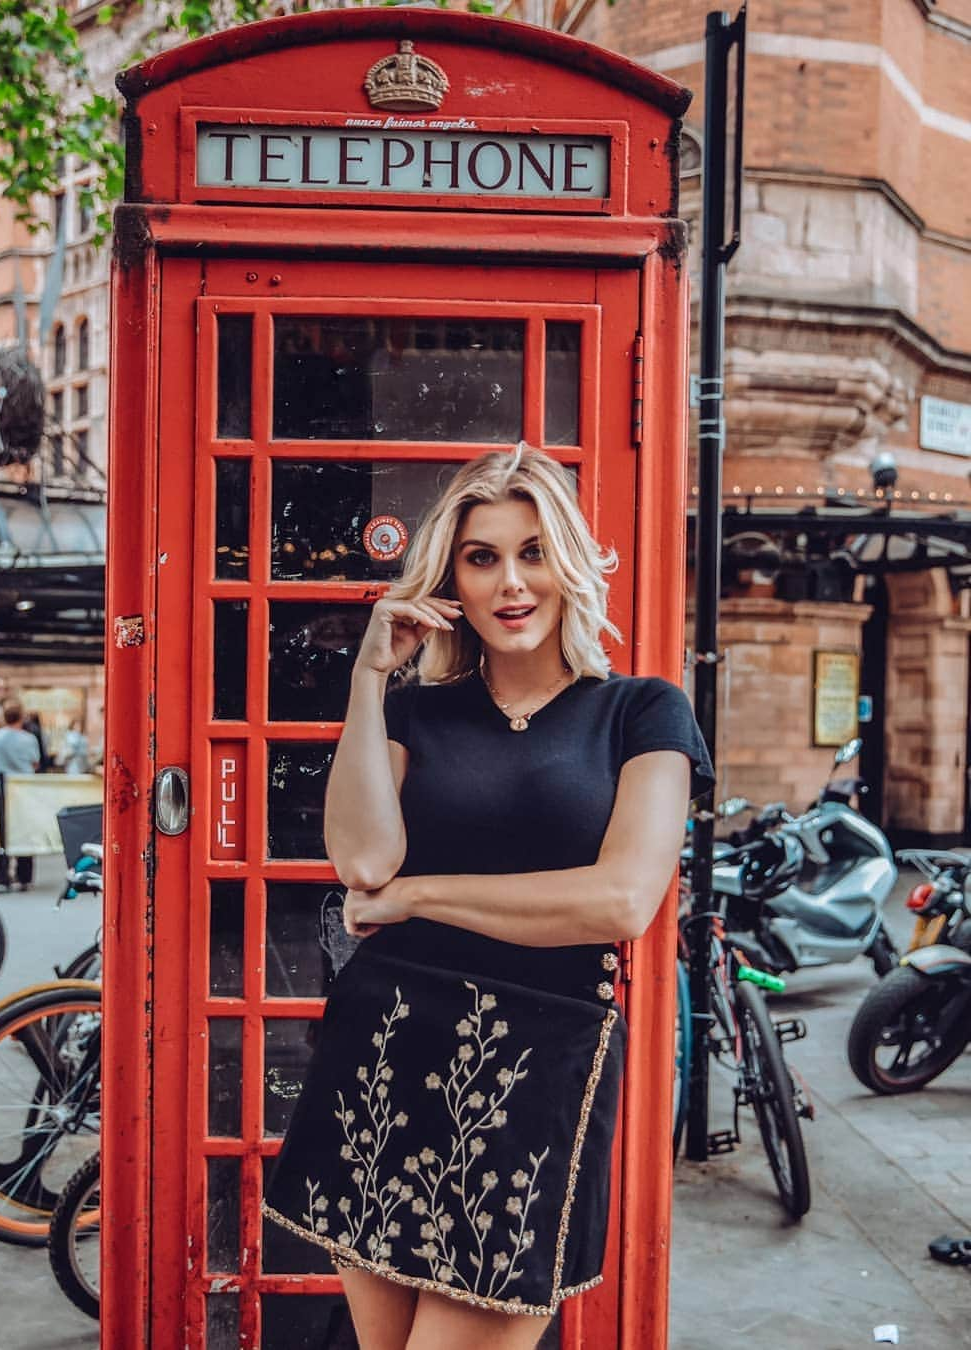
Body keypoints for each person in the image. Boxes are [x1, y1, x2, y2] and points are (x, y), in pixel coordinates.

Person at [263, 446, 714, 1349]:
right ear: (451, 580)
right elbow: (361, 859)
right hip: (388, 1053)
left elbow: (621, 900)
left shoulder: (641, 711)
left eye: (535, 552)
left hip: (534, 1068)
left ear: (570, 566)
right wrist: (367, 676)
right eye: (482, 557)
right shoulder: (417, 714)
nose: (512, 582)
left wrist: (419, 897)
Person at [0, 701, 41, 889]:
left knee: (2, 830)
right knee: (24, 831)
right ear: (21, 717)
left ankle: (2, 870)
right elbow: (35, 762)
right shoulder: (29, 739)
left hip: (1, 789)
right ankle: (24, 874)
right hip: (24, 789)